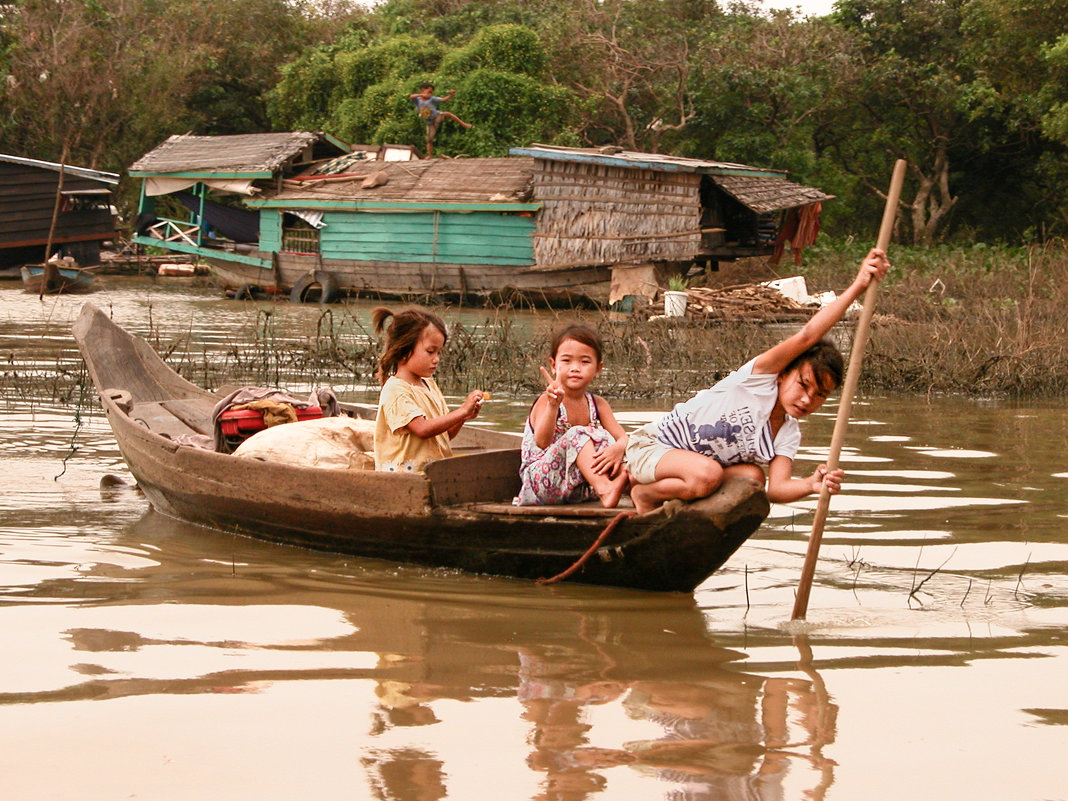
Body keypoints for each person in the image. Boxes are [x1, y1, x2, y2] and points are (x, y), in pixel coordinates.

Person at [626, 248, 891, 515]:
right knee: (707, 475)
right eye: (803, 385)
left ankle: (669, 487)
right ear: (784, 375)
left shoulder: (787, 434)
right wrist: (858, 286)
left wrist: (811, 484)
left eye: (820, 395)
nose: (807, 400)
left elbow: (776, 489)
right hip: (654, 448)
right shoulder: (758, 380)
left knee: (753, 477)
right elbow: (808, 336)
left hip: (691, 469)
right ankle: (644, 493)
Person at [514, 324, 629, 508]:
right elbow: (542, 442)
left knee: (607, 442)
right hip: (542, 484)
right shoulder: (546, 400)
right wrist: (553, 406)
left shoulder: (598, 404)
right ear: (553, 365)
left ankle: (637, 488)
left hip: (578, 487)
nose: (575, 368)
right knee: (579, 435)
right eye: (566, 361)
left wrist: (618, 448)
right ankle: (605, 489)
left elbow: (623, 437)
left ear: (598, 368)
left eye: (584, 362)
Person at [372, 306, 483, 473]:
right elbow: (422, 429)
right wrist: (461, 411)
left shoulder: (429, 384)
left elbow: (444, 435)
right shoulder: (395, 390)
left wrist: (464, 416)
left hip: (433, 474)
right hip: (404, 478)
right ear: (404, 350)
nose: (436, 359)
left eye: (439, 352)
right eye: (430, 351)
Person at [409, 83, 472, 158]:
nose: (430, 94)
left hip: (436, 116)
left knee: (447, 114)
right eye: (428, 92)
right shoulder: (418, 100)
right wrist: (422, 95)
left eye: (431, 92)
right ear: (422, 90)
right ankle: (429, 155)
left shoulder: (432, 99)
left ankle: (463, 124)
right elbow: (411, 96)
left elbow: (443, 99)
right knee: (429, 139)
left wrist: (451, 95)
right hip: (429, 122)